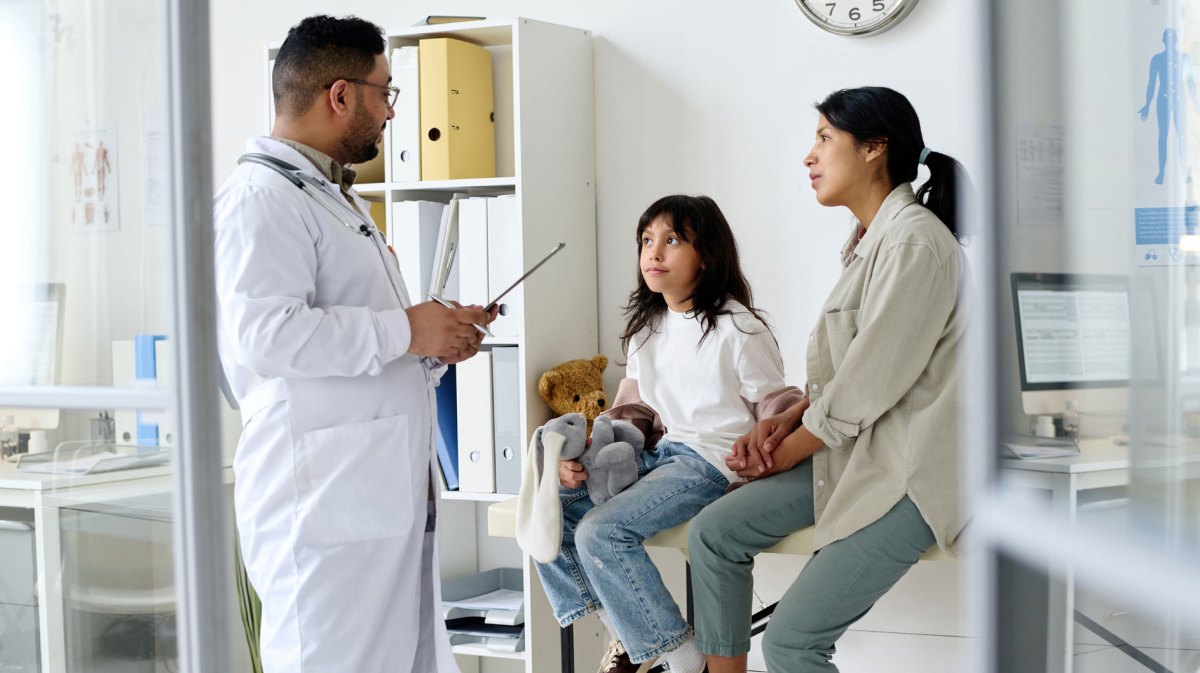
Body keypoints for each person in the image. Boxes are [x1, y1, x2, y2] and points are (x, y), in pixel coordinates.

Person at [212, 15, 493, 673]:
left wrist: (433, 335)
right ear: (341, 95)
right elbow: (266, 338)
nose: (394, 111)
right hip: (321, 504)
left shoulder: (327, 194)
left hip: (370, 493)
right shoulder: (261, 199)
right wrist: (408, 329)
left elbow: (351, 337)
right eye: (385, 91)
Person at [687, 86, 969, 673]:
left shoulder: (915, 242)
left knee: (792, 644)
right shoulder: (870, 242)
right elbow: (848, 371)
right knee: (714, 533)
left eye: (824, 139)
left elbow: (868, 383)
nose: (808, 157)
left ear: (873, 148)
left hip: (907, 474)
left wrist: (786, 450)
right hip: (857, 452)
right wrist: (784, 422)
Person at [537, 194, 803, 673]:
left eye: (672, 240)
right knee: (548, 509)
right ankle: (628, 640)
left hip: (710, 463)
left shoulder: (738, 327)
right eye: (646, 240)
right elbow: (636, 409)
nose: (653, 253)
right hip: (662, 455)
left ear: (706, 256)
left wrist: (772, 445)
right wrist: (593, 454)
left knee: (603, 531)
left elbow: (776, 403)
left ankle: (682, 660)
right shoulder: (647, 327)